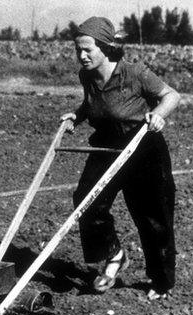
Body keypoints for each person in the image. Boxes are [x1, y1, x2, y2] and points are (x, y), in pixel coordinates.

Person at [60, 17, 181, 300]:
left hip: (143, 148)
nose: (82, 55)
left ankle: (161, 282)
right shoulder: (86, 76)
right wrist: (76, 116)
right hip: (106, 146)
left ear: (105, 47)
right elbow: (93, 105)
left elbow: (171, 95)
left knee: (152, 217)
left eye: (88, 49)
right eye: (78, 50)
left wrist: (157, 115)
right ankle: (114, 254)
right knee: (86, 201)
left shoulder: (135, 73)